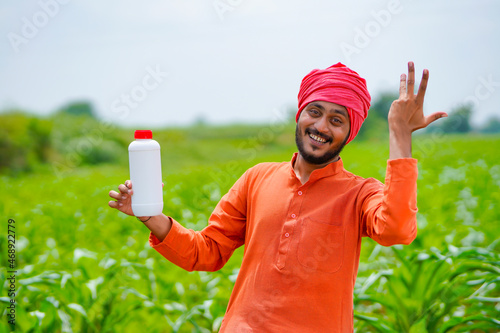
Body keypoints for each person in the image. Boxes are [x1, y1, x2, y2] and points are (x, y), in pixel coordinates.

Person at [108, 61, 447, 332]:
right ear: (300, 114)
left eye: (337, 119)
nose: (322, 126)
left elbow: (397, 229)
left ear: (349, 133)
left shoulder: (360, 193)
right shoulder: (257, 178)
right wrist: (151, 217)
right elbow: (206, 252)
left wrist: (399, 134)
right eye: (314, 111)